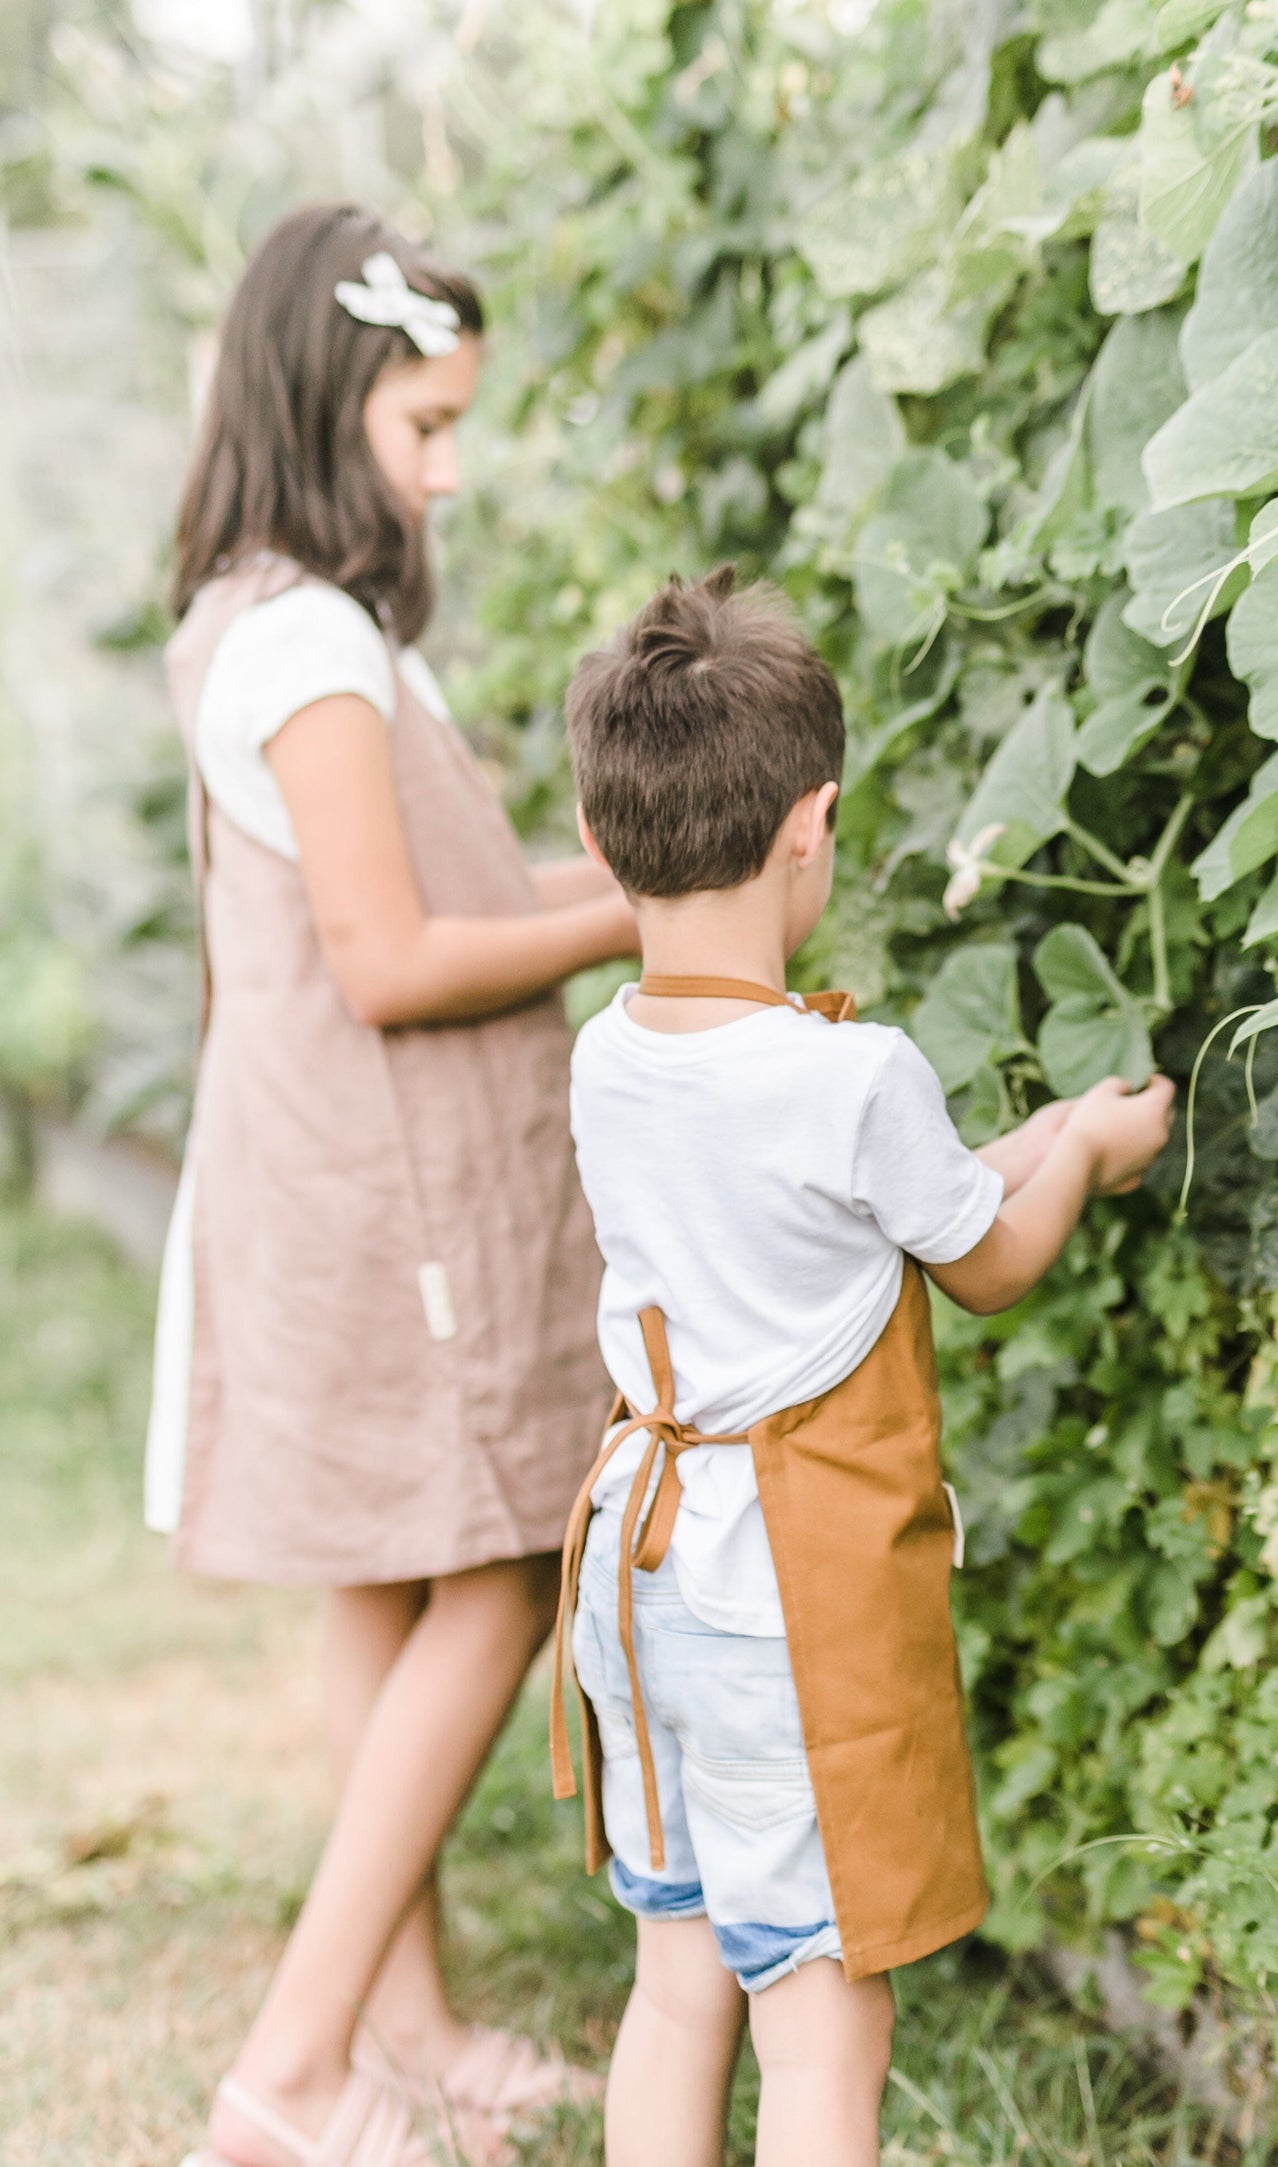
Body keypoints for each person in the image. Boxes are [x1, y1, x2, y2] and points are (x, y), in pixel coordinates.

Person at [550, 567, 1176, 2167]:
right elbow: (982, 1262)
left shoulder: (606, 1056)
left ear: (599, 828)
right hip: (786, 1596)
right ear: (809, 826)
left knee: (679, 1972)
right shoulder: (853, 1072)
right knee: (822, 2009)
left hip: (640, 1570)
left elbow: (855, 1218)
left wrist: (1021, 1147)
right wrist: (1089, 1152)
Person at [149, 204, 633, 2167]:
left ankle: (401, 2033)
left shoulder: (263, 612)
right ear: (332, 394)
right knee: (500, 1568)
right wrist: (634, 917)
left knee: (383, 1572)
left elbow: (432, 902)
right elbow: (392, 956)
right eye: (427, 424)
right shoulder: (310, 643)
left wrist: (618, 893)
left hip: (326, 1184)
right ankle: (286, 2072)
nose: (449, 467)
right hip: (388, 1198)